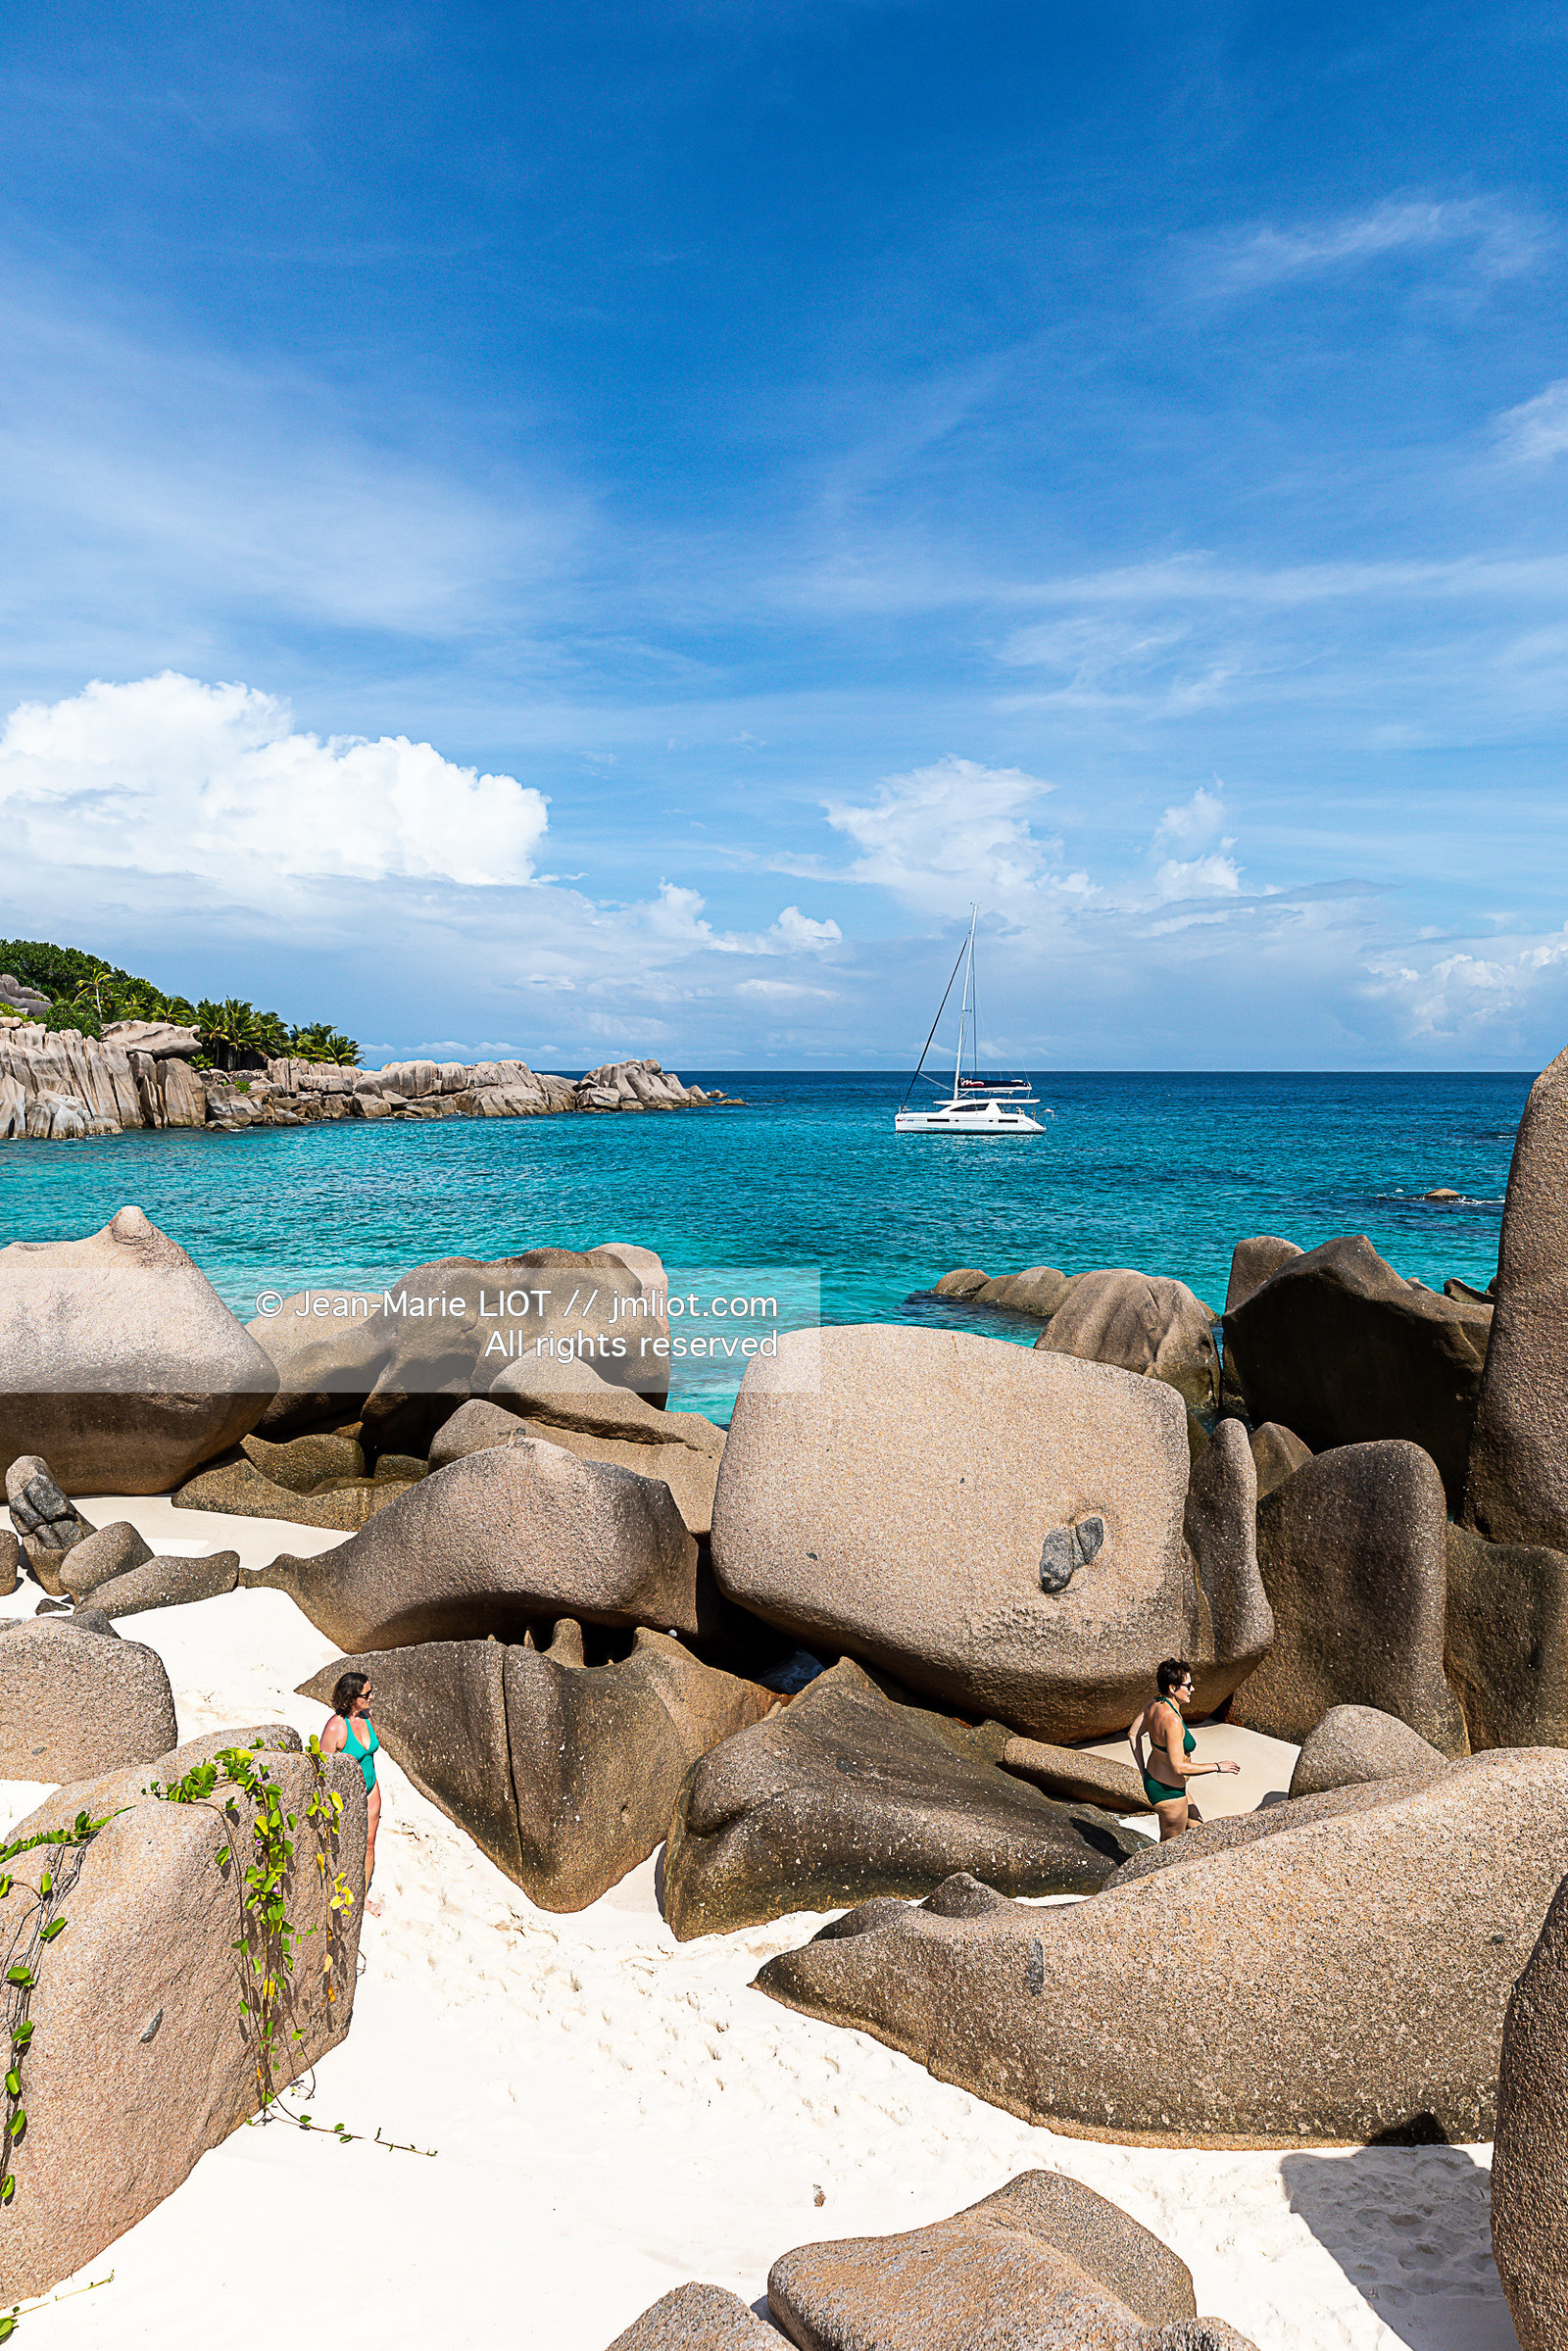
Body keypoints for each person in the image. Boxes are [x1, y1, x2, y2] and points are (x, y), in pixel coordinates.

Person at [1128, 1657, 1239, 1840]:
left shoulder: (1154, 1704)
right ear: (1173, 1688)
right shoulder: (1171, 1720)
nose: (1192, 1689)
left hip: (1158, 1781)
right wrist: (1217, 1766)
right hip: (1170, 1793)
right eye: (1188, 1685)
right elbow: (1178, 1767)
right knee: (1169, 1849)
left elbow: (1133, 1734)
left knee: (1199, 1830)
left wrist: (1142, 1771)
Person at [319, 1669, 382, 1912]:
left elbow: (368, 1755)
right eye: (367, 1694)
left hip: (371, 1789)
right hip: (345, 1797)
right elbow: (322, 1770)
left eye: (371, 1692)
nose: (371, 1697)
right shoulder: (335, 1728)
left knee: (369, 1842)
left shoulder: (367, 1715)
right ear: (352, 1698)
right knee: (343, 1846)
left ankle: (363, 1897)